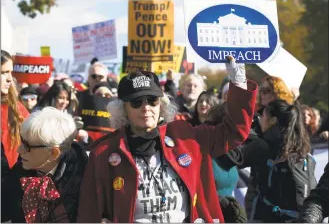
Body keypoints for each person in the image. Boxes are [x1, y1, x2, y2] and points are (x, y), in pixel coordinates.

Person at [77, 56, 258, 223]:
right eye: (136, 102)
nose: (146, 107)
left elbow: (233, 132)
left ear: (161, 105)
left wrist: (239, 83)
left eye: (152, 100)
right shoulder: (105, 152)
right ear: (123, 110)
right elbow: (89, 212)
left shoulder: (185, 136)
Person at [1, 107, 88, 223]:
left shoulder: (85, 179)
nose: (19, 150)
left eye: (27, 146)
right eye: (22, 142)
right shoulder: (19, 172)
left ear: (54, 153)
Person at [250, 99, 317, 222]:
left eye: (263, 116)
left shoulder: (266, 148)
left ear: (273, 121)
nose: (259, 120)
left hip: (271, 217)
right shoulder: (300, 151)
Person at [1, 50, 30, 184]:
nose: (9, 79)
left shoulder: (17, 108)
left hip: (10, 184)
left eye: (10, 72)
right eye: (3, 72)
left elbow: (35, 135)